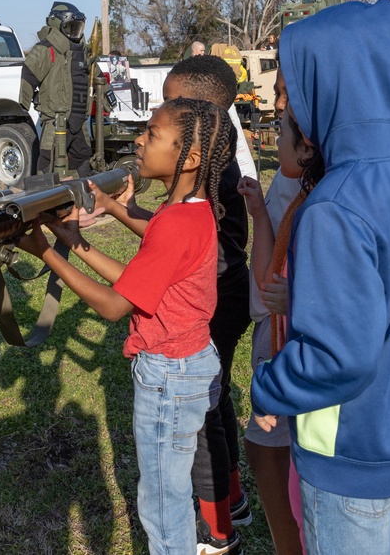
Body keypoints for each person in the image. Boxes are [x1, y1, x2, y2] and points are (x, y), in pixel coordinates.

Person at [250, 0, 390, 555]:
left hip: (352, 452)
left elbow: (338, 355)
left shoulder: (334, 205)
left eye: (295, 89)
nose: (289, 107)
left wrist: (271, 388)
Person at [17, 97, 236, 555]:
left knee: (162, 504)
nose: (139, 138)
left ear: (189, 158)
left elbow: (116, 306)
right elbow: (142, 282)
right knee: (171, 493)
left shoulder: (174, 224)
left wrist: (46, 253)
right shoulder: (193, 212)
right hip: (194, 362)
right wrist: (79, 235)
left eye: (152, 134)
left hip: (169, 377)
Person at [87, 55, 253, 555]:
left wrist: (55, 250)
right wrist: (116, 210)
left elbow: (134, 286)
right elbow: (165, 240)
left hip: (197, 329)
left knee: (200, 430)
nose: (159, 113)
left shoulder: (208, 185)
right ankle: (228, 509)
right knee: (210, 411)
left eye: (169, 106)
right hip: (204, 321)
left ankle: (217, 528)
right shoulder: (198, 188)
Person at [240, 66, 304, 555]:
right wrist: (260, 211)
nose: (277, 106)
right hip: (275, 326)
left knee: (269, 444)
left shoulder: (318, 199)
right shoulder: (291, 179)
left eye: (286, 97)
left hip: (288, 339)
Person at [19, 1, 92, 177]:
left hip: (79, 118)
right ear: (57, 24)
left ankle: (84, 190)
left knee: (83, 156)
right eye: (71, 27)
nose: (75, 32)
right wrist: (22, 105)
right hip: (55, 120)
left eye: (78, 28)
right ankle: (43, 196)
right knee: (48, 159)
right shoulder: (45, 50)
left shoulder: (82, 51)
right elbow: (28, 74)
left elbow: (92, 74)